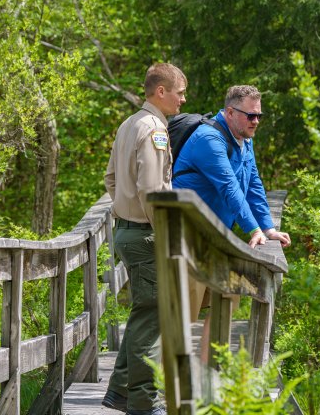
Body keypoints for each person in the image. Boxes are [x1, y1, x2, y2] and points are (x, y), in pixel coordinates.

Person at [172, 85, 290, 359]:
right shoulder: (208, 139)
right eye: (251, 116)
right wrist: (252, 229)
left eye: (259, 115)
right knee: (182, 315)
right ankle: (167, 386)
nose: (256, 122)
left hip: (214, 238)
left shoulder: (244, 139)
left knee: (227, 297)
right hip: (186, 238)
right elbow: (229, 187)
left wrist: (268, 228)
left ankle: (207, 373)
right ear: (230, 112)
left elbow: (253, 184)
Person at [102, 63, 187, 415]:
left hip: (126, 230)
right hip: (146, 235)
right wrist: (163, 232)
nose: (184, 99)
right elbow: (153, 191)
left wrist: (125, 209)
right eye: (180, 92)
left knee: (142, 314)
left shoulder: (128, 124)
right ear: (161, 91)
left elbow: (110, 180)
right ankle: (143, 402)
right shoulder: (154, 129)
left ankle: (121, 391)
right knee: (151, 321)